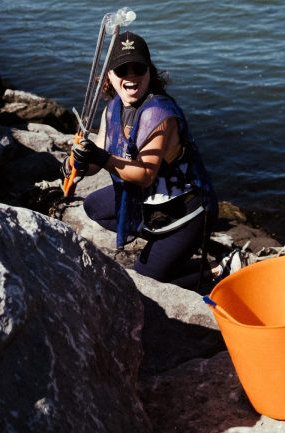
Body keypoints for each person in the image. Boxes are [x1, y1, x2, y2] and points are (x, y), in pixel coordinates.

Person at [66, 30, 217, 288]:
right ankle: (158, 238)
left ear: (150, 71)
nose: (131, 77)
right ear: (109, 76)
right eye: (122, 70)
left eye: (139, 68)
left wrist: (101, 157)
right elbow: (94, 162)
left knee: (145, 277)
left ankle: (214, 270)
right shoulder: (113, 108)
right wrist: (78, 162)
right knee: (93, 206)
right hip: (148, 201)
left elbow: (145, 173)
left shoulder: (158, 113)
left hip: (185, 210)